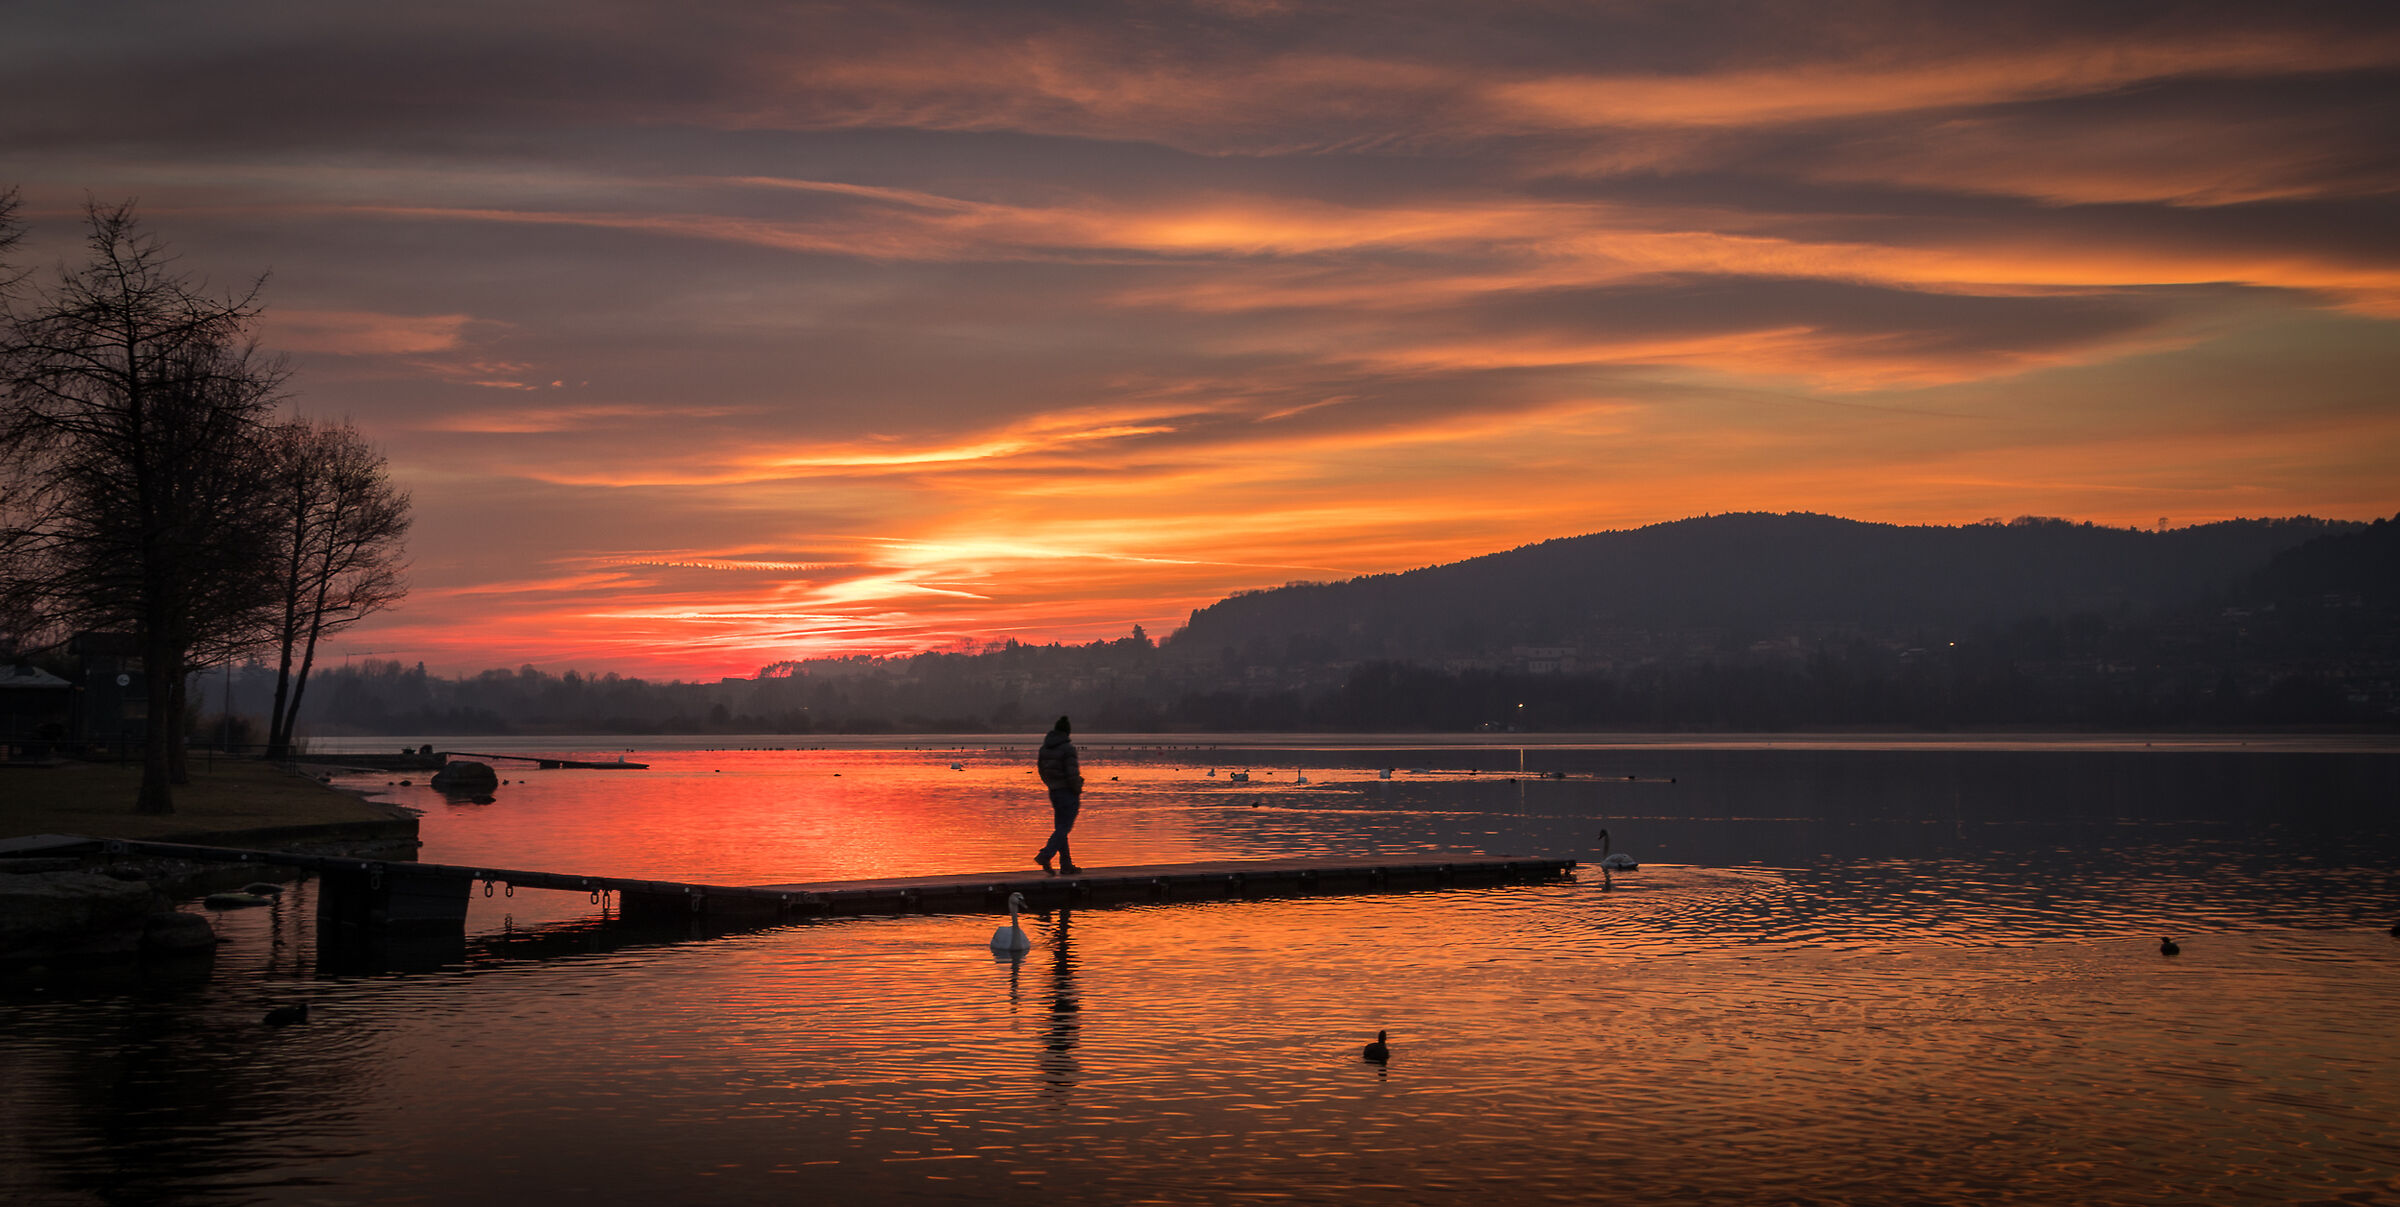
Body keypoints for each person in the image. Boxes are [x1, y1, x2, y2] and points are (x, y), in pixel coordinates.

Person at [1035, 715, 1084, 874]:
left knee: (1060, 828)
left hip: (1054, 790)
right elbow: (1072, 774)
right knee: (1064, 827)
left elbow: (1041, 771)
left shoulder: (1044, 749)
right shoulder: (1067, 749)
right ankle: (1045, 855)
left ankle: (1066, 865)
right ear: (1067, 732)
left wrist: (1051, 784)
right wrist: (1077, 788)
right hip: (1067, 792)